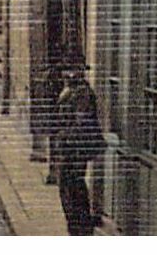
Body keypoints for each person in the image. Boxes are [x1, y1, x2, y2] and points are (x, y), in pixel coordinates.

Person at [52, 66, 104, 236]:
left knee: (74, 187)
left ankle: (80, 229)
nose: (67, 75)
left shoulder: (82, 93)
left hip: (75, 148)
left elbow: (82, 123)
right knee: (66, 187)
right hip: (67, 148)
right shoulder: (69, 90)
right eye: (65, 71)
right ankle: (75, 226)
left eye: (71, 71)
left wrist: (65, 138)